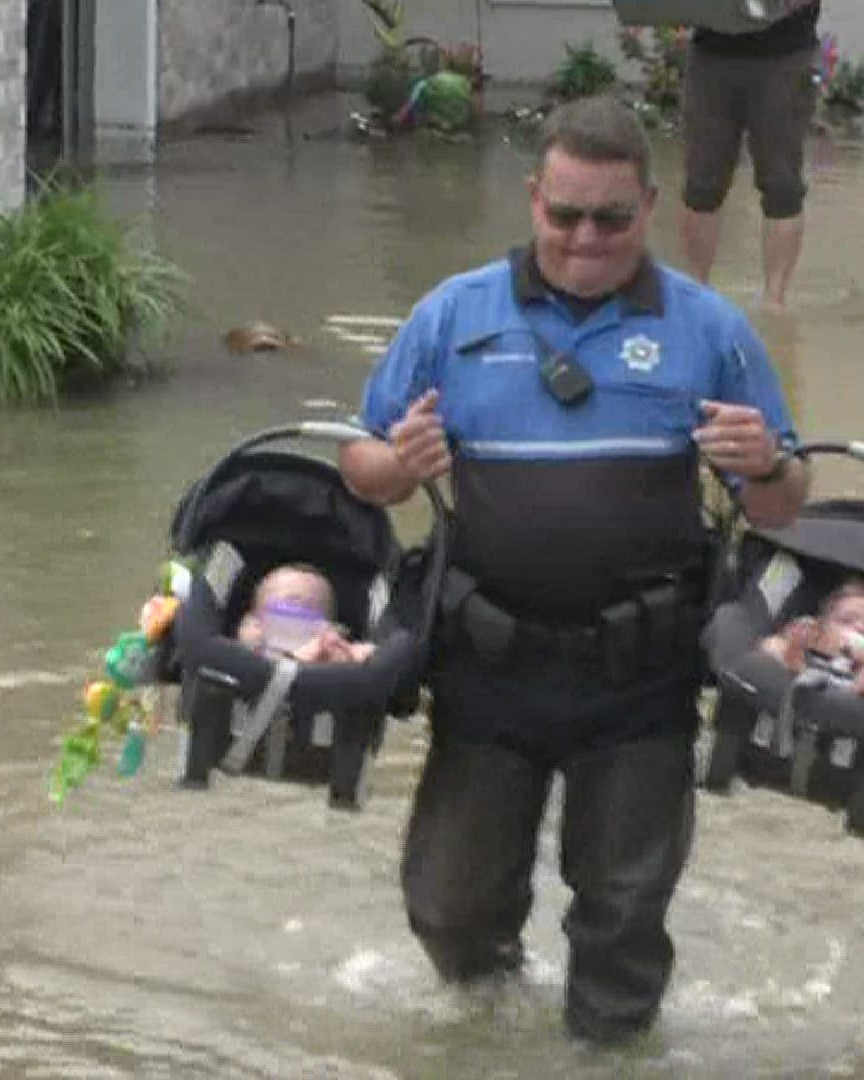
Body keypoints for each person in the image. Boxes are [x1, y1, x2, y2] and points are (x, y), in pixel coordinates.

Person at [337, 95, 809, 1046]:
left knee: (623, 922)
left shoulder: (709, 330)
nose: (586, 238)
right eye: (564, 214)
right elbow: (361, 468)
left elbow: (783, 505)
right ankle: (487, 1044)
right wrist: (399, 465)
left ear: (651, 206)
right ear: (532, 198)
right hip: (486, 663)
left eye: (611, 218)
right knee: (450, 907)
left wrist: (764, 463)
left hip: (642, 675)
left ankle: (610, 1057)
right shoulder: (453, 313)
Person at [677, 0, 823, 311]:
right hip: (711, 55)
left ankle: (775, 302)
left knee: (782, 184)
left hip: (786, 57)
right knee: (702, 185)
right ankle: (695, 295)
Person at [757, 574, 864, 694]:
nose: (857, 630)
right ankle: (794, 659)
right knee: (773, 646)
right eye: (846, 620)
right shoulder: (815, 637)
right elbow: (769, 646)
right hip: (804, 674)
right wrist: (796, 642)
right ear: (823, 620)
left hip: (857, 684)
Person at [234, 564, 376, 664]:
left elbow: (368, 656)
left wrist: (351, 654)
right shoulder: (250, 647)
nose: (290, 626)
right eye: (280, 611)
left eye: (303, 614)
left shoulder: (331, 653)